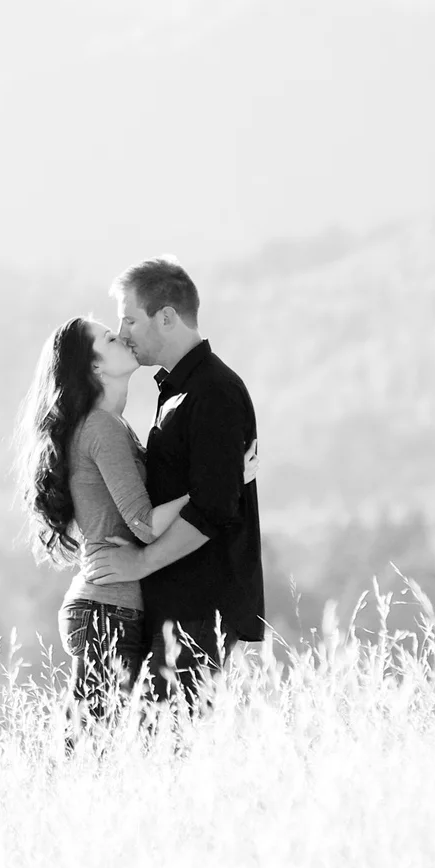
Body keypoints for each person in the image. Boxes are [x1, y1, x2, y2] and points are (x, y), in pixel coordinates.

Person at [84, 258, 266, 711]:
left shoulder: (213, 393)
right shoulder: (178, 391)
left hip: (199, 609)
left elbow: (212, 509)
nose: (122, 331)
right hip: (178, 606)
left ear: (166, 316)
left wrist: (140, 564)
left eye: (129, 318)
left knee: (169, 748)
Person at [14, 316, 189, 731]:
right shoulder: (102, 427)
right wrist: (209, 487)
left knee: (101, 749)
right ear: (95, 367)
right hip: (107, 611)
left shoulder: (110, 425)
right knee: (93, 751)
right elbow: (145, 525)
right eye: (111, 338)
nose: (123, 337)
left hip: (106, 607)